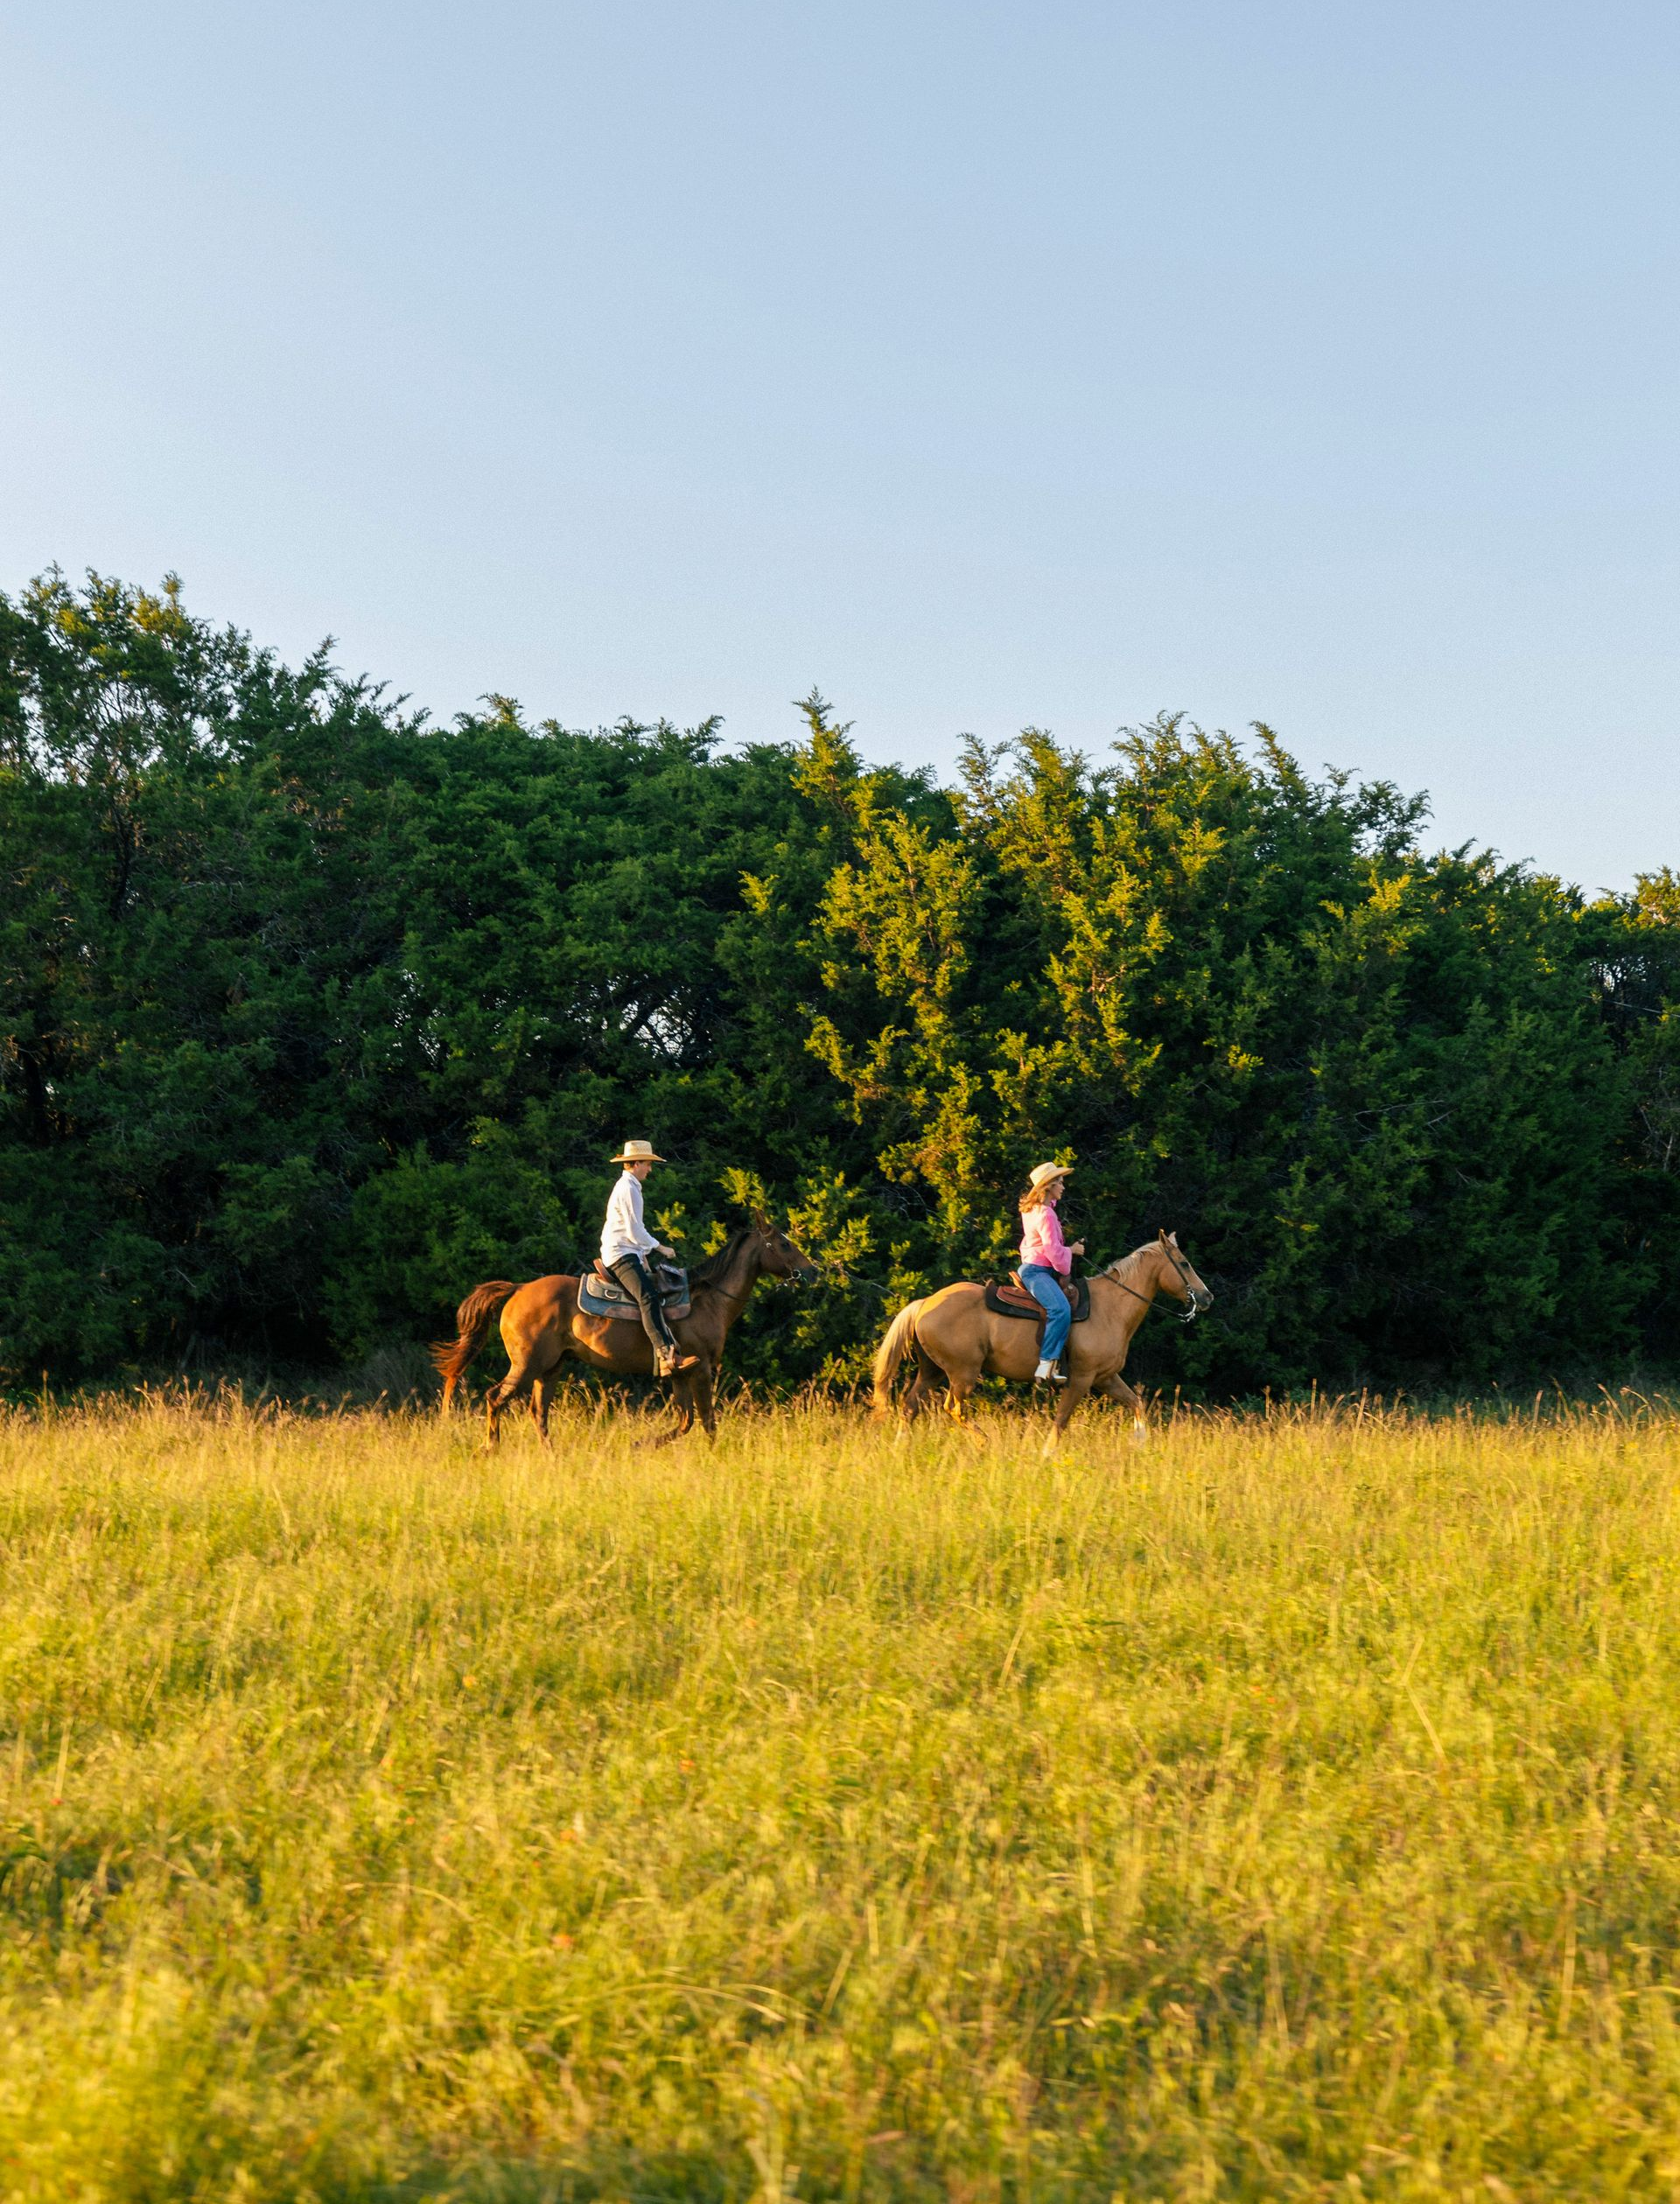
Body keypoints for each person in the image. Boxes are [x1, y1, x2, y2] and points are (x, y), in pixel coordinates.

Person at [600, 1140, 697, 1378]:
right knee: (648, 1298)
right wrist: (660, 1247)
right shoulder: (629, 1188)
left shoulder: (629, 1186)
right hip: (620, 1254)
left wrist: (642, 1255)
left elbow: (631, 1231)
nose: (650, 1169)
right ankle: (666, 1355)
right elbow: (635, 1230)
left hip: (627, 1251)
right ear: (635, 1164)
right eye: (647, 1164)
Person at [1017, 1161, 1084, 1384]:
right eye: (1060, 1182)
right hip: (1038, 1272)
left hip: (1034, 1268)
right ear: (1048, 1186)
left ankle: (1053, 1365)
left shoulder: (1036, 1209)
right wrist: (1072, 1250)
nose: (1063, 1187)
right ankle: (1046, 1365)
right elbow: (1053, 1252)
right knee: (1060, 1309)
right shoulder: (1046, 1214)